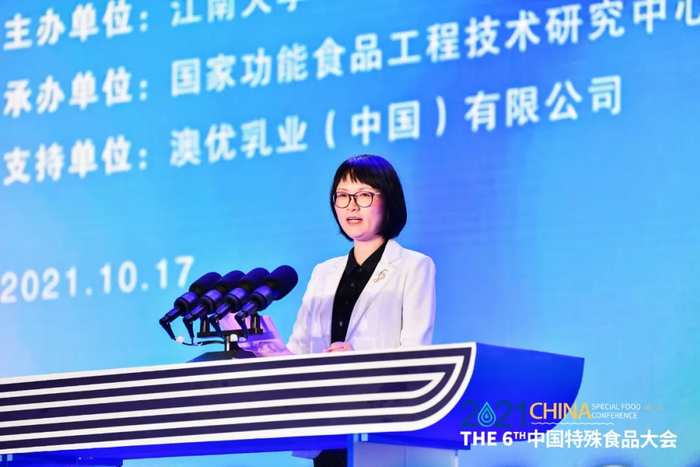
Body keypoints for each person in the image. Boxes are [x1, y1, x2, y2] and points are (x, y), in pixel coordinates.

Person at [287, 154, 436, 467]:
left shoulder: (413, 266)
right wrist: (262, 346)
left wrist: (359, 361)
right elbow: (298, 351)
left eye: (364, 195)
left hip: (379, 425)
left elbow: (415, 355)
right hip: (326, 427)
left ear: (389, 200)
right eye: (342, 196)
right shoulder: (323, 272)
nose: (351, 206)